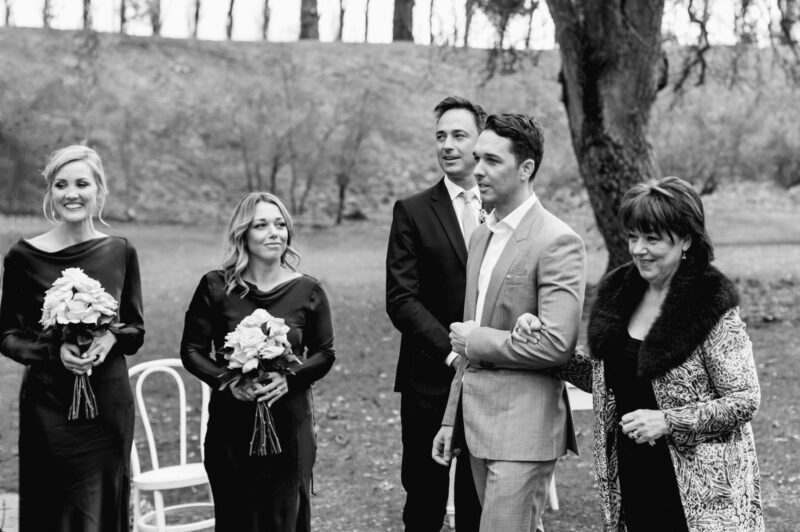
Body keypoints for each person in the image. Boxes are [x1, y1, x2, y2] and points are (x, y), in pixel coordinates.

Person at [513, 176, 764, 531]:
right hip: (633, 476)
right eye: (633, 237)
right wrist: (544, 341)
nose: (639, 249)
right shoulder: (619, 293)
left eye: (653, 238)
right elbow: (603, 378)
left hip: (703, 492)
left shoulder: (711, 304)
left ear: (686, 240)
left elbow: (744, 399)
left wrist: (668, 421)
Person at [432, 113, 587, 532]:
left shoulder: (557, 241)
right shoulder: (482, 235)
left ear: (526, 168)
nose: (476, 169)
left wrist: (477, 340)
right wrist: (451, 419)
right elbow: (469, 336)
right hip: (476, 423)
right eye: (477, 158)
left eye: (491, 161)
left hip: (524, 428)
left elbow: (556, 345)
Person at [0, 145, 145, 532]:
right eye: (61, 185)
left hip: (107, 404)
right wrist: (53, 349)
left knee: (102, 507)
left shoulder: (120, 251)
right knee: (50, 508)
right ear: (50, 193)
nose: (72, 193)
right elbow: (8, 335)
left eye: (82, 183)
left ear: (99, 190)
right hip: (48, 406)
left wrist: (112, 339)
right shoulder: (23, 256)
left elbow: (135, 329)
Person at [181, 192, 335, 532]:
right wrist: (229, 380)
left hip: (289, 426)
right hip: (230, 428)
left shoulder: (309, 290)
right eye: (261, 225)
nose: (273, 233)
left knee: (285, 521)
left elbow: (325, 353)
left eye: (280, 225)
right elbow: (191, 350)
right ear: (243, 234)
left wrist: (290, 377)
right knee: (237, 518)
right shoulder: (215, 286)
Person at [386, 96, 484, 531]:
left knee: (477, 500)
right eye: (441, 136)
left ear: (482, 141)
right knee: (424, 497)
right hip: (429, 377)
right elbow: (401, 299)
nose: (447, 144)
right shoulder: (412, 210)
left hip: (489, 378)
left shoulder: (503, 208)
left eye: (459, 135)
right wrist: (451, 351)